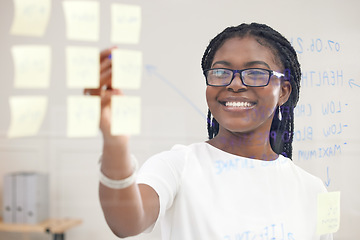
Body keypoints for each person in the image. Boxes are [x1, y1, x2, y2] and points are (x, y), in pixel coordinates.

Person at [85, 23, 332, 240]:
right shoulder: (177, 165)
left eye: (255, 73)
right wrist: (115, 143)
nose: (235, 84)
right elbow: (126, 222)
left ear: (284, 92)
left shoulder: (316, 190)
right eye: (222, 72)